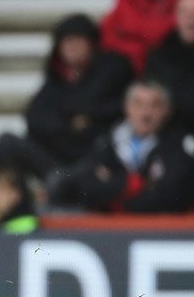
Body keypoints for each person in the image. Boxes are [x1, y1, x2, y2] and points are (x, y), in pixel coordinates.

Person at [0, 13, 132, 185]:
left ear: (91, 42)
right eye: (66, 41)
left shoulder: (113, 69)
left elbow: (124, 108)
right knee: (6, 144)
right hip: (56, 161)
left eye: (77, 40)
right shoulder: (57, 78)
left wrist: (86, 117)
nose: (71, 47)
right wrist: (72, 124)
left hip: (93, 162)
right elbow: (33, 118)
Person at [48, 79, 194, 213]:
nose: (146, 113)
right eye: (138, 104)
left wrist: (115, 193)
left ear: (167, 110)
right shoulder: (108, 140)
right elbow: (84, 185)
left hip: (165, 230)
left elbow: (173, 195)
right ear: (126, 107)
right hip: (112, 229)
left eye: (154, 105)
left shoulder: (182, 144)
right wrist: (132, 184)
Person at [145, 0, 194, 132]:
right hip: (169, 133)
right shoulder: (160, 55)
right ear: (176, 17)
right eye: (185, 12)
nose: (190, 17)